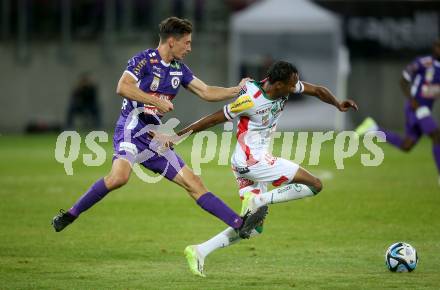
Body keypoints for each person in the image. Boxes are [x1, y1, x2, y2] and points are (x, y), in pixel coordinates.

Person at [52, 17, 268, 241]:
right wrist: (156, 102)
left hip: (155, 137)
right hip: (131, 129)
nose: (189, 48)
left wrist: (237, 89)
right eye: (187, 43)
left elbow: (206, 92)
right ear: (172, 41)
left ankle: (240, 224)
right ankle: (70, 214)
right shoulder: (143, 60)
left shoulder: (179, 69)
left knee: (193, 182)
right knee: (119, 178)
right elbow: (123, 87)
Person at [153, 61, 358, 277]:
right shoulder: (250, 98)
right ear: (278, 84)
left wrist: (337, 103)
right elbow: (213, 119)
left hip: (248, 162)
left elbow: (316, 90)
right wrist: (176, 136)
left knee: (252, 227)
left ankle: (199, 251)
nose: (295, 88)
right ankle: (260, 200)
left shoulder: (286, 86)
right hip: (253, 162)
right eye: (291, 85)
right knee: (315, 184)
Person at [356, 39, 440, 185]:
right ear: (434, 47)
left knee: (406, 145)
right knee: (437, 134)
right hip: (417, 107)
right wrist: (412, 99)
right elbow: (403, 80)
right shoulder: (424, 63)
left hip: (425, 109)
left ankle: (374, 128)